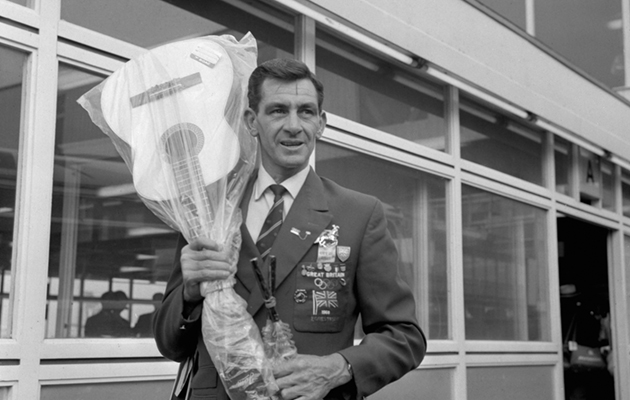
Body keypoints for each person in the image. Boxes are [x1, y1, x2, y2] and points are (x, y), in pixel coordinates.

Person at [154, 58, 426, 400]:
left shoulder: (358, 214)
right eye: (278, 111)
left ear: (322, 123)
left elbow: (404, 336)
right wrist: (189, 296)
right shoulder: (209, 211)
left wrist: (337, 368)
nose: (294, 125)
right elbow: (169, 343)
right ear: (252, 121)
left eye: (307, 112)